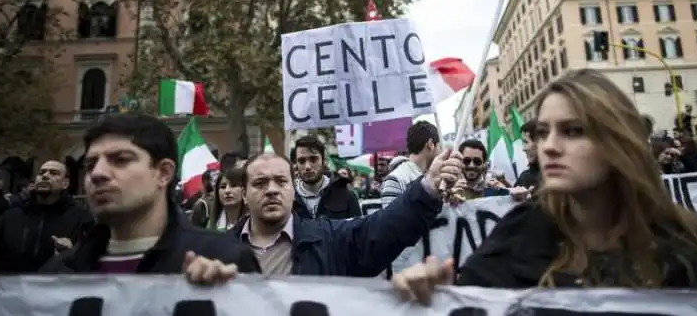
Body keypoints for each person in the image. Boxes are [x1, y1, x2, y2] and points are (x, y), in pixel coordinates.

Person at [393, 69, 697, 304]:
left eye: (572, 131)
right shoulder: (518, 236)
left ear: (619, 142)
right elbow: (470, 302)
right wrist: (436, 295)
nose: (549, 145)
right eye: (543, 131)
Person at [40, 114, 259, 283]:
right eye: (90, 165)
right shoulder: (58, 273)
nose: (97, 174)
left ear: (163, 173)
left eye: (120, 160)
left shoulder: (225, 260)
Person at [231, 149, 461, 276]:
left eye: (281, 181)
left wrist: (428, 187)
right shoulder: (216, 252)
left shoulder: (329, 240)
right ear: (244, 194)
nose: (271, 190)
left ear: (293, 189)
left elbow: (385, 228)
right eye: (260, 183)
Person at [0, 160, 94, 274]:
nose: (45, 176)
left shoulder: (81, 218)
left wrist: (72, 254)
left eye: (54, 173)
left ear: (65, 183)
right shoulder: (11, 216)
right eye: (41, 172)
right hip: (10, 288)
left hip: (56, 288)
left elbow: (91, 264)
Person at [291, 136, 361, 220]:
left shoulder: (347, 196)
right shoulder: (288, 198)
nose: (307, 167)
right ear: (296, 164)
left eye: (313, 159)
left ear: (324, 161)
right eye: (302, 161)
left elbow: (358, 231)